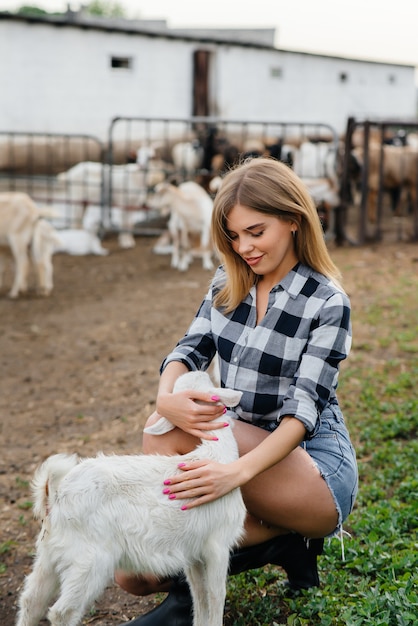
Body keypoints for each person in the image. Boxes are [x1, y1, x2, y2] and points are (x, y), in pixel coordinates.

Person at [116, 157, 359, 625]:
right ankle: (286, 543)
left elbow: (303, 412)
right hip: (242, 447)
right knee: (134, 573)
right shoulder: (227, 281)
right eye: (234, 235)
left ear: (293, 220)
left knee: (164, 437)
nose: (244, 246)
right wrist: (166, 397)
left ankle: (190, 604)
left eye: (256, 231)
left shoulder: (327, 302)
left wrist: (235, 474)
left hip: (311, 468)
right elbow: (188, 349)